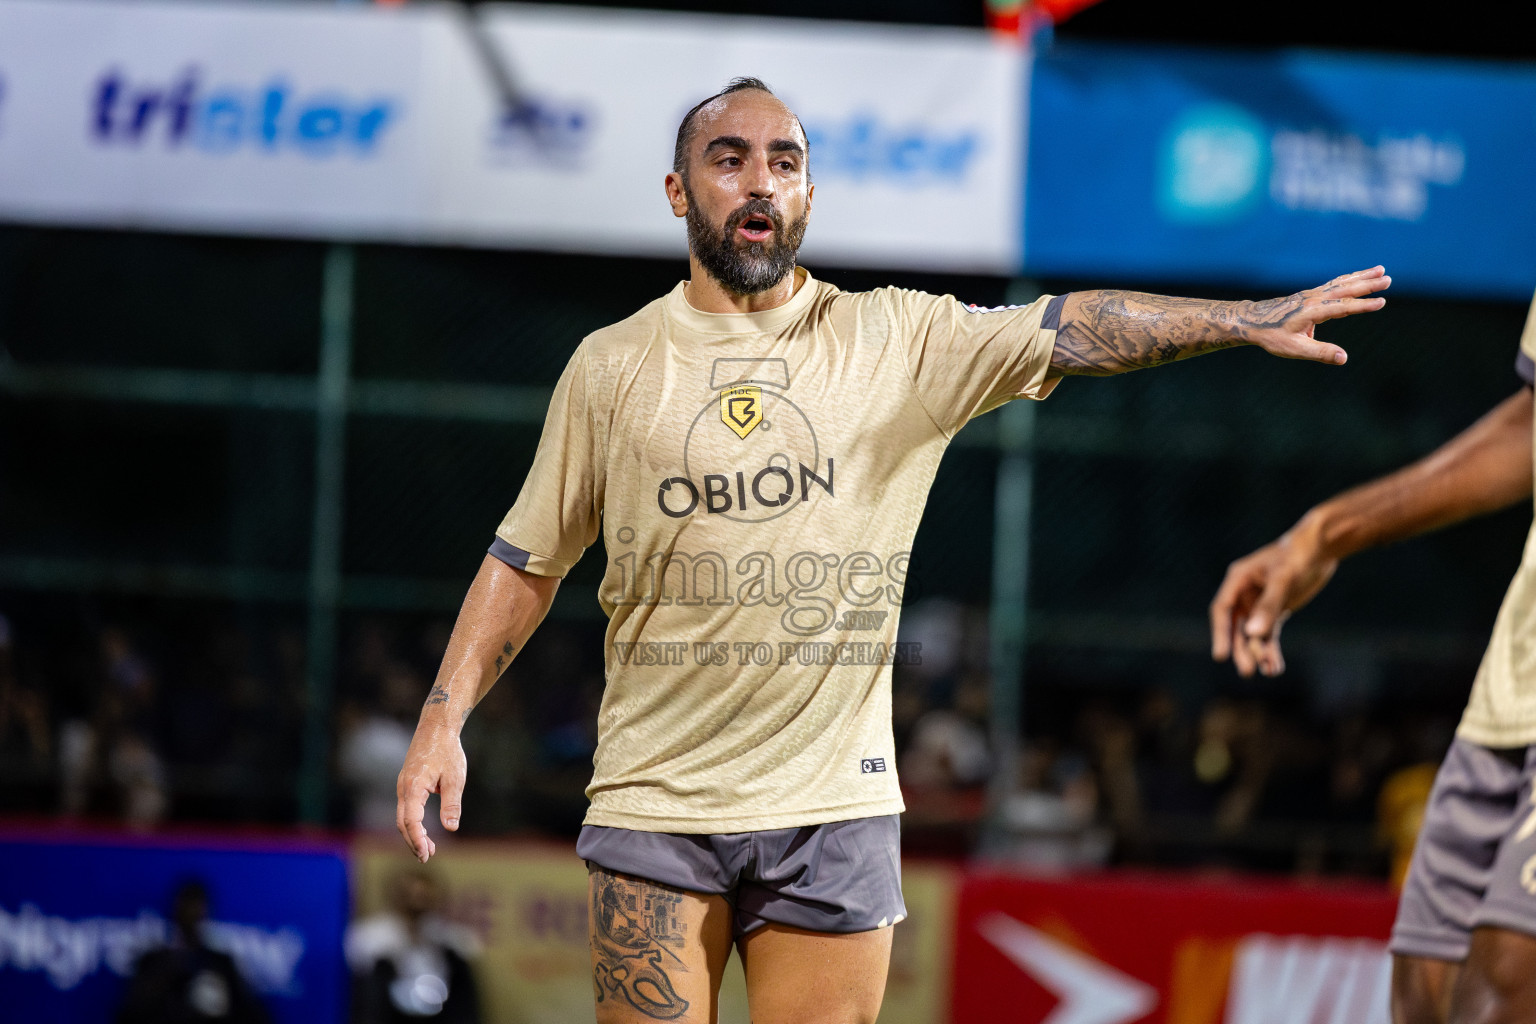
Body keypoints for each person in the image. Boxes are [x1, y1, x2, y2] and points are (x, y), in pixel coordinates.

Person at [397, 76, 1389, 1024]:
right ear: (676, 190)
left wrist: (1245, 317)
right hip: (655, 804)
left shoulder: (895, 341)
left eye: (783, 162)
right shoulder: (611, 366)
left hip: (834, 809)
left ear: (809, 196)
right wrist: (445, 715)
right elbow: (528, 558)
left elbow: (1073, 327)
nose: (759, 182)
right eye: (729, 158)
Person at [1209, 292, 1536, 1024]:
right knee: (1422, 997)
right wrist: (1326, 532)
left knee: (1505, 986)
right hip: (1509, 697)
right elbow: (1533, 423)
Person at [117, 879, 272, 1024]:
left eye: (197, 907)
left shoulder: (222, 964)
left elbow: (255, 1015)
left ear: (206, 913)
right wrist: (161, 981)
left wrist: (223, 1005)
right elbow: (128, 1015)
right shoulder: (153, 962)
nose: (191, 914)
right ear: (175, 911)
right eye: (186, 907)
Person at [346, 866, 483, 1024]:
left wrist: (428, 940)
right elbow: (361, 966)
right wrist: (402, 941)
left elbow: (469, 947)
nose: (416, 903)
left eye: (424, 897)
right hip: (390, 1012)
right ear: (395, 896)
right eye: (409, 896)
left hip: (437, 1010)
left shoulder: (445, 935)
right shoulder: (372, 934)